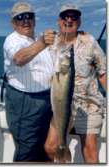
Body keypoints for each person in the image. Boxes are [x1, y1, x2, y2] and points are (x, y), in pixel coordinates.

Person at [44, 4, 106, 163]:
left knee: (90, 151)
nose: (69, 20)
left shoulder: (90, 41)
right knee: (50, 148)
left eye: (74, 17)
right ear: (59, 20)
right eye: (65, 16)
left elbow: (103, 73)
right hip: (61, 103)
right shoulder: (51, 41)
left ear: (79, 21)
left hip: (88, 103)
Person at [3, 1, 55, 162]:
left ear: (34, 19)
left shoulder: (39, 38)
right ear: (13, 23)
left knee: (44, 147)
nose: (25, 20)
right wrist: (42, 43)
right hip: (25, 103)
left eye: (29, 16)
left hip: (47, 100)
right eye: (20, 17)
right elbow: (19, 58)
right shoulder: (12, 40)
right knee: (28, 149)